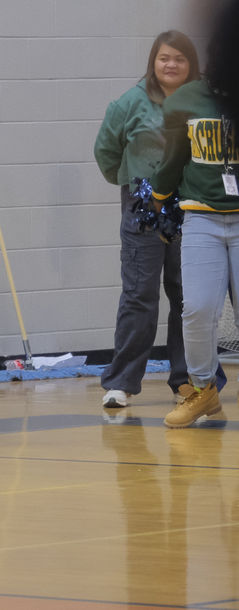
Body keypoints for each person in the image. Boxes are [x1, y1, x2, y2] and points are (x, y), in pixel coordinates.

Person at [94, 31, 200, 409]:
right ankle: (121, 383)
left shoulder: (204, 102)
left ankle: (186, 380)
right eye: (164, 58)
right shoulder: (130, 102)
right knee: (140, 295)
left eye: (179, 59)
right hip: (143, 209)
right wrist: (133, 186)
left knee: (188, 297)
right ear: (153, 62)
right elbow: (107, 152)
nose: (171, 65)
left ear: (191, 66)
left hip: (193, 209)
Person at [152, 56, 239, 428]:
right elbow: (173, 158)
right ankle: (203, 390)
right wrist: (159, 200)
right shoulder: (186, 100)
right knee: (197, 310)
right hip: (200, 216)